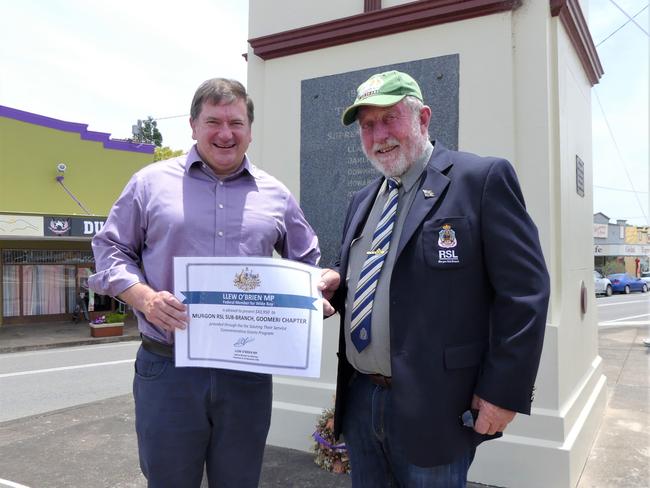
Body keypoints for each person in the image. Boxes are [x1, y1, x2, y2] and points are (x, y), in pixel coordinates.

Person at [319, 70, 550, 487]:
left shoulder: (480, 180)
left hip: (437, 408)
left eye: (390, 118)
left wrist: (503, 392)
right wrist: (337, 282)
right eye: (368, 125)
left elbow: (525, 293)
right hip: (362, 402)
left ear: (423, 118)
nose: (379, 135)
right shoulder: (361, 200)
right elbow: (368, 276)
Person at [89, 78, 320, 488]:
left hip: (246, 373)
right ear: (193, 125)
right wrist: (143, 297)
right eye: (213, 121)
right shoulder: (149, 184)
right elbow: (110, 249)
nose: (225, 133)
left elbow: (307, 261)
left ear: (250, 129)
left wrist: (314, 291)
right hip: (168, 368)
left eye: (236, 122)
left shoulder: (276, 195)